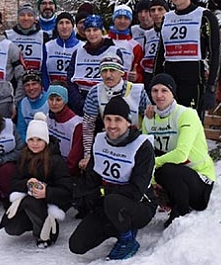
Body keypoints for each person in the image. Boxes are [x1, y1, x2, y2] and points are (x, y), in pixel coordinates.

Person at [69, 96, 157, 260]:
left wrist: (103, 191)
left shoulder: (142, 146)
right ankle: (117, 226)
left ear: (128, 122)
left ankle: (127, 240)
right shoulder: (100, 140)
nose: (112, 125)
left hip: (139, 205)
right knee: (77, 245)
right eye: (108, 119)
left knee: (113, 201)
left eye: (118, 120)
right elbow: (92, 176)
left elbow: (136, 191)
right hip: (108, 202)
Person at [142, 73, 215, 228]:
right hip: (177, 177)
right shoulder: (149, 118)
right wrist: (153, 182)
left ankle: (181, 212)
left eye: (164, 90)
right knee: (151, 168)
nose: (159, 95)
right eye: (155, 90)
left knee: (165, 169)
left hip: (201, 181)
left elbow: (181, 155)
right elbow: (145, 153)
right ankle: (170, 203)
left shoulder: (186, 114)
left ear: (173, 93)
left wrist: (152, 165)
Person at [0, 113, 72, 248]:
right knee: (12, 228)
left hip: (48, 204)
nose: (34, 144)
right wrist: (26, 184)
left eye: (39, 140)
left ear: (45, 140)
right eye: (31, 139)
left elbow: (67, 191)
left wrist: (47, 192)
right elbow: (14, 181)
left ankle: (45, 233)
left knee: (30, 201)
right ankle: (32, 221)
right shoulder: (24, 156)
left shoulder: (55, 160)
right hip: (29, 202)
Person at [154, 0, 221, 119]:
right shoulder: (167, 17)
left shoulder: (204, 16)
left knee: (191, 126)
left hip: (193, 81)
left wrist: (211, 87)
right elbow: (160, 54)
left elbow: (215, 53)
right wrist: (155, 82)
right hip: (170, 81)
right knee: (170, 124)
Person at [81, 55, 149, 170]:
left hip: (135, 140)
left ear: (121, 72)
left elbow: (150, 118)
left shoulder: (137, 91)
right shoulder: (95, 92)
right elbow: (88, 126)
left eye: (112, 70)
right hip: (110, 139)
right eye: (104, 71)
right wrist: (87, 155)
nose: (108, 75)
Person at [66, 14, 118, 115]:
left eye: (95, 30)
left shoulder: (113, 51)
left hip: (105, 106)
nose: (92, 33)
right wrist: (79, 102)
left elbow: (118, 80)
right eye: (88, 30)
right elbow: (70, 79)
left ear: (101, 31)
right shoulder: (78, 52)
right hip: (81, 105)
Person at [44, 85, 83, 176]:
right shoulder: (48, 117)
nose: (54, 103)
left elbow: (74, 158)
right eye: (51, 99)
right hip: (48, 164)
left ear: (65, 101)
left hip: (65, 171)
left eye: (58, 100)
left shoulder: (76, 124)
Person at [107, 4, 145, 83]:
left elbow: (140, 73)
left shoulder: (135, 46)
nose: (122, 21)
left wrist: (137, 77)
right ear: (114, 19)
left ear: (130, 21)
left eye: (126, 18)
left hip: (124, 88)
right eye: (119, 17)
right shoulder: (102, 40)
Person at [5, 3, 47, 72]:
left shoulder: (43, 36)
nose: (26, 18)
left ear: (34, 18)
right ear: (17, 18)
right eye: (22, 15)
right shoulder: (8, 35)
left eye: (30, 15)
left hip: (36, 79)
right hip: (14, 79)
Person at [42, 12, 80, 86]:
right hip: (52, 93)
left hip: (72, 93)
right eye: (61, 23)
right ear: (56, 26)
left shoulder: (81, 46)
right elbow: (44, 72)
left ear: (73, 26)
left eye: (67, 23)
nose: (64, 26)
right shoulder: (48, 46)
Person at [141, 0, 169, 91]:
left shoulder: (171, 30)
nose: (156, 13)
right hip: (149, 74)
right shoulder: (148, 34)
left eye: (160, 9)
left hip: (166, 73)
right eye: (153, 10)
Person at [15, 71, 48, 141]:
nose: (31, 88)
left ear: (40, 85)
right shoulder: (23, 103)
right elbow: (21, 131)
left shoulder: (50, 101)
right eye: (27, 85)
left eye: (34, 84)